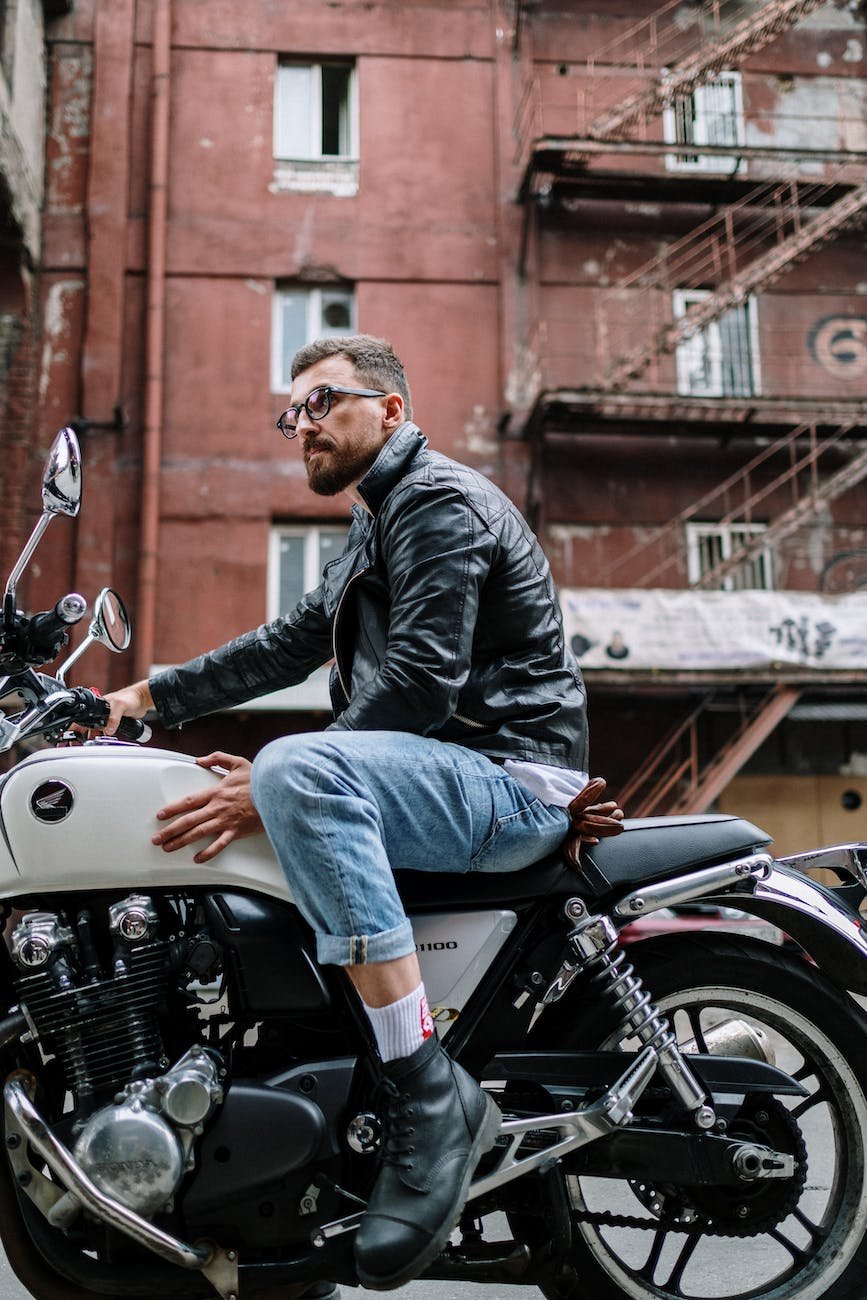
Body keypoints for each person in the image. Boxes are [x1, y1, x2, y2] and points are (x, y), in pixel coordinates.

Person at [103, 335, 622, 1292]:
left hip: (508, 774)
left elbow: (422, 682)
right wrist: (144, 698)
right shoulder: (377, 522)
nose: (298, 424)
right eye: (289, 410)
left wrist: (280, 778)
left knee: (294, 771)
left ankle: (427, 1092)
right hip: (449, 773)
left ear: (388, 410)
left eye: (321, 401)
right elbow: (286, 643)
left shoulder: (436, 500)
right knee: (287, 786)